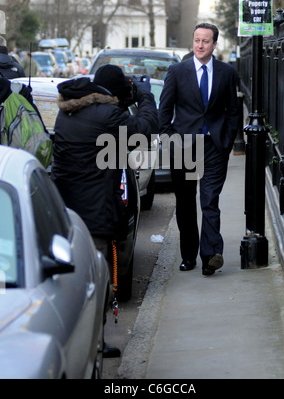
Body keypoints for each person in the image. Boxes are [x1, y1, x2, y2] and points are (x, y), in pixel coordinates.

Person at [51, 65, 158, 357]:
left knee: (74, 283)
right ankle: (94, 348)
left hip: (66, 213)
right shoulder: (108, 116)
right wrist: (146, 97)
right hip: (95, 214)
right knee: (96, 283)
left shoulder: (68, 112)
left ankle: (84, 345)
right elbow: (145, 130)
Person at [159, 23, 239, 276]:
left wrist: (226, 141)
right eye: (197, 40)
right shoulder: (176, 71)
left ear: (215, 44)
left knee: (209, 200)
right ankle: (189, 255)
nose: (200, 45)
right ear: (192, 42)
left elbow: (233, 112)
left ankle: (210, 255)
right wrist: (171, 139)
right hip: (183, 146)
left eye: (206, 41)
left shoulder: (227, 72)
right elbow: (164, 111)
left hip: (213, 146)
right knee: (185, 203)